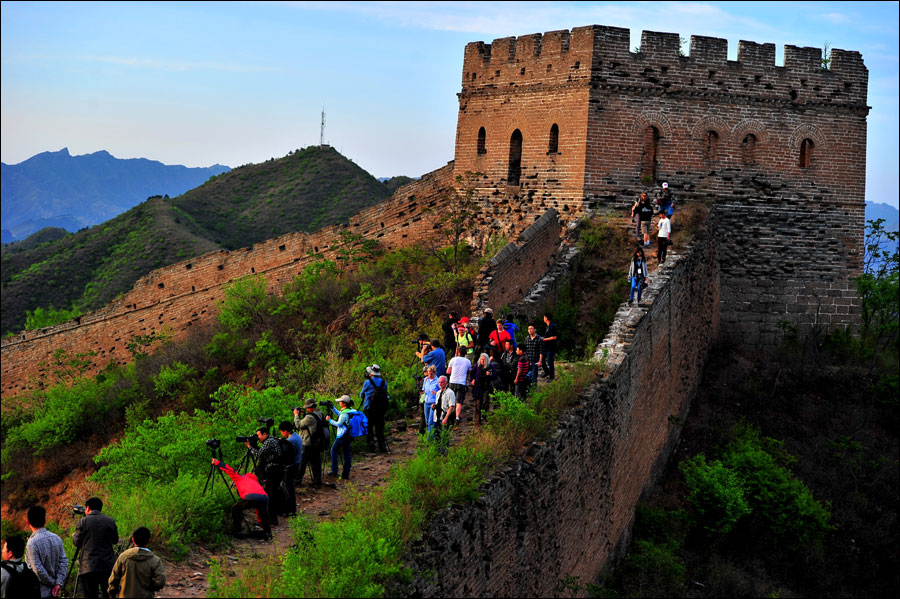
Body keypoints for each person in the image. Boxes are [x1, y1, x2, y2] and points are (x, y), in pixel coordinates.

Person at [72, 497, 119, 599]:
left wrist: (74, 536)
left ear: (88, 508)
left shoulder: (83, 522)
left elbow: (77, 542)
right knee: (108, 594)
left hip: (88, 567)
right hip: (107, 566)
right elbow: (115, 540)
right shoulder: (110, 521)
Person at [213, 460, 271, 540]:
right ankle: (267, 532)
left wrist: (218, 463)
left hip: (250, 496)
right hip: (264, 497)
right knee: (263, 513)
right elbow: (259, 512)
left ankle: (238, 532)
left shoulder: (240, 478)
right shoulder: (256, 483)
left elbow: (230, 471)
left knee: (235, 509)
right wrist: (260, 522)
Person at [106, 527, 165, 598]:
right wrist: (150, 587)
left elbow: (113, 579)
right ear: (149, 541)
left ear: (133, 540)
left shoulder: (123, 557)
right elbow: (160, 581)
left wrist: (112, 593)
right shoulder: (155, 560)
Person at [24, 506, 67, 599]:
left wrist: (52, 583)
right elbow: (64, 561)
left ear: (28, 522)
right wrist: (58, 583)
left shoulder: (32, 543)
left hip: (40, 592)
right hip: (55, 591)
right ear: (45, 521)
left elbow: (37, 569)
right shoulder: (56, 538)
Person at [246, 426, 283, 526]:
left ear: (265, 434)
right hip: (276, 470)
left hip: (274, 471)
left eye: (258, 435)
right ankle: (271, 518)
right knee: (272, 495)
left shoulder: (269, 442)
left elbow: (259, 454)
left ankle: (270, 520)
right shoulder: (271, 440)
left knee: (270, 495)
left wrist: (250, 446)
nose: (258, 437)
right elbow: (263, 453)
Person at [295, 399, 325, 487]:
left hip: (307, 442)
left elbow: (298, 425)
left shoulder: (310, 417)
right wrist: (304, 414)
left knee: (302, 463)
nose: (306, 409)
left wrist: (296, 415)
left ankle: (297, 481)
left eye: (307, 408)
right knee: (316, 463)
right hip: (316, 442)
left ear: (311, 407)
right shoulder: (320, 414)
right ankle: (317, 481)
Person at [360, 364, 389, 453]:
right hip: (381, 409)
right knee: (379, 429)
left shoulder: (367, 382)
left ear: (371, 373)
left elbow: (362, 394)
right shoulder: (384, 382)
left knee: (369, 428)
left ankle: (371, 447)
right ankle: (382, 447)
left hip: (369, 408)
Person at [326, 395, 354, 480]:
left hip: (342, 435)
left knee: (333, 450)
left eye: (340, 401)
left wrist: (329, 420)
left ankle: (334, 471)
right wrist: (332, 408)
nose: (339, 403)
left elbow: (339, 424)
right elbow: (339, 414)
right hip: (349, 435)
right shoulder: (350, 410)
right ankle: (346, 474)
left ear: (344, 403)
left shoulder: (344, 413)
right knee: (347, 454)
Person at [278, 422, 302, 517]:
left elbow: (286, 455)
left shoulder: (291, 440)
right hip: (297, 464)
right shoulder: (297, 436)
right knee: (290, 489)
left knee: (288, 490)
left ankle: (291, 511)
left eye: (281, 432)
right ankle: (291, 510)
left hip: (291, 467)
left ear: (285, 431)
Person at [446, 346, 471, 423]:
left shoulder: (453, 359)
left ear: (458, 352)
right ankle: (457, 417)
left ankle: (448, 416)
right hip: (461, 382)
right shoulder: (468, 361)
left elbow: (448, 371)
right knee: (459, 401)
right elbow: (468, 372)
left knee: (451, 400)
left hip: (452, 381)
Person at [434, 376, 457, 451]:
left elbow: (451, 406)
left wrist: (446, 418)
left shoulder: (450, 392)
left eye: (442, 382)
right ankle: (437, 451)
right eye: (439, 382)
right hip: (437, 416)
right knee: (437, 435)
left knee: (444, 435)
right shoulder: (438, 392)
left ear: (446, 383)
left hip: (445, 416)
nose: (440, 384)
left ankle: (445, 453)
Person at [469, 353, 492, 425]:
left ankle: (485, 416)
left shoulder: (489, 366)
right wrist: (472, 379)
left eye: (484, 360)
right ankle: (477, 421)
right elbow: (472, 374)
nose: (483, 361)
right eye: (481, 359)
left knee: (485, 402)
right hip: (478, 387)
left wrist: (489, 374)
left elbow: (494, 375)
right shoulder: (477, 366)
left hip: (486, 387)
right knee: (477, 404)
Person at [421, 366, 440, 439]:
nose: (429, 376)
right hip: (426, 402)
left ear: (434, 373)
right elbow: (424, 389)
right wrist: (422, 392)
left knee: (430, 422)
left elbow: (441, 392)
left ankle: (429, 439)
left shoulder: (437, 381)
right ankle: (432, 436)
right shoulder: (426, 380)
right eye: (428, 374)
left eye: (431, 374)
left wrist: (436, 393)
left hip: (433, 403)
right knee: (427, 422)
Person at [541, 312, 557, 381]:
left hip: (551, 347)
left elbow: (554, 337)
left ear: (546, 318)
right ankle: (547, 371)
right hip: (546, 346)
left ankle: (552, 377)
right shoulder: (548, 326)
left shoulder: (553, 326)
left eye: (544, 317)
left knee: (550, 362)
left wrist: (544, 339)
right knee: (542, 359)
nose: (543, 318)